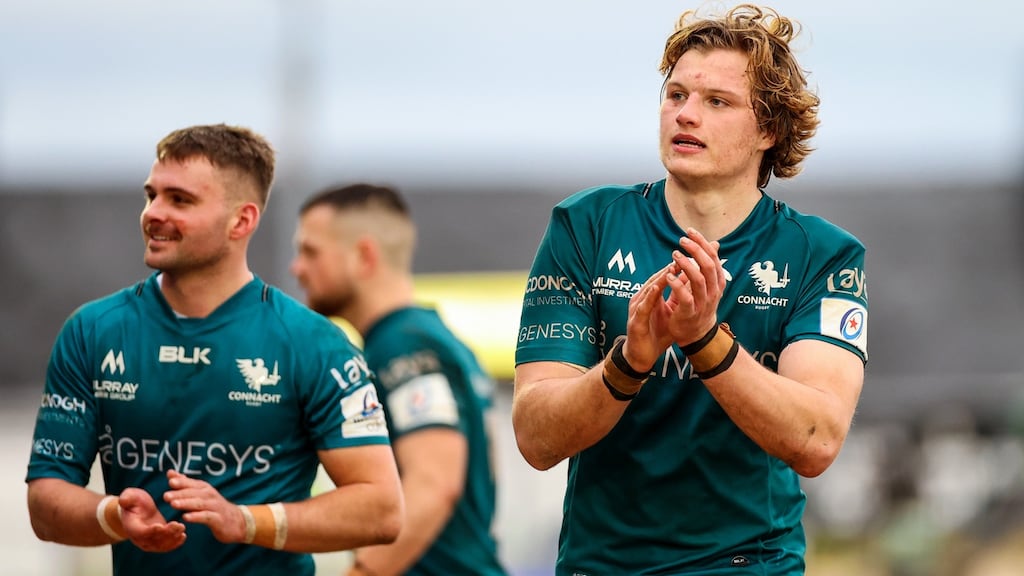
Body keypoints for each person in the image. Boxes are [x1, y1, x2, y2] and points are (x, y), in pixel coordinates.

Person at [513, 4, 868, 575]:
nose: (686, 115)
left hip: (748, 566)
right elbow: (536, 437)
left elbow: (817, 440)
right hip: (602, 565)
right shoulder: (586, 225)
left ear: (769, 129)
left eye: (717, 102)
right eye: (675, 95)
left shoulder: (823, 255)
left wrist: (705, 341)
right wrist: (629, 361)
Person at [25, 124, 404, 576]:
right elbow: (45, 502)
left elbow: (381, 509)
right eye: (152, 195)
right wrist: (113, 516)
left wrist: (243, 521)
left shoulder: (314, 343)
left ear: (241, 221)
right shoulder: (92, 331)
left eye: (180, 200)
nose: (154, 213)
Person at [291, 183, 508, 576]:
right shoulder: (429, 337)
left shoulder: (403, 347)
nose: (297, 268)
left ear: (364, 255)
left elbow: (434, 483)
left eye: (310, 251)